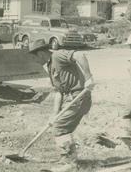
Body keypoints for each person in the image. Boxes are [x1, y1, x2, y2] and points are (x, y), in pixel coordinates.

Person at [29, 39, 94, 172]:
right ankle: (69, 159)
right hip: (69, 99)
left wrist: (88, 77)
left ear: (41, 53)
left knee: (60, 128)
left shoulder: (57, 56)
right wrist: (54, 114)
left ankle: (69, 163)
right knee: (59, 125)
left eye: (34, 57)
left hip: (79, 97)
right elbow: (58, 91)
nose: (35, 61)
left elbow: (80, 55)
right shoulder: (50, 65)